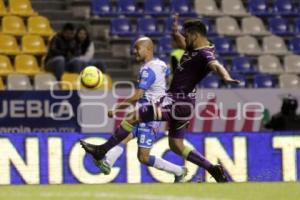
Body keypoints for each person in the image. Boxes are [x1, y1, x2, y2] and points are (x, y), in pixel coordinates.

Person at [80, 14, 240, 182]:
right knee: (176, 145)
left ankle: (101, 151)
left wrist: (226, 76)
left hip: (177, 101)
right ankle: (213, 169)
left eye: (186, 34)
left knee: (133, 117)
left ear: (195, 35)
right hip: (185, 104)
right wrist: (175, 32)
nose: (184, 37)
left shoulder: (206, 54)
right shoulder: (196, 47)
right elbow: (183, 43)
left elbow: (215, 65)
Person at [88, 36, 188, 182]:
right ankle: (107, 162)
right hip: (142, 113)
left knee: (143, 157)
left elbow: (137, 95)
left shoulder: (148, 70)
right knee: (122, 136)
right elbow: (167, 78)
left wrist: (117, 108)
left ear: (148, 49)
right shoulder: (161, 64)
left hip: (149, 117)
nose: (134, 51)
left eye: (137, 48)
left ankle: (179, 171)